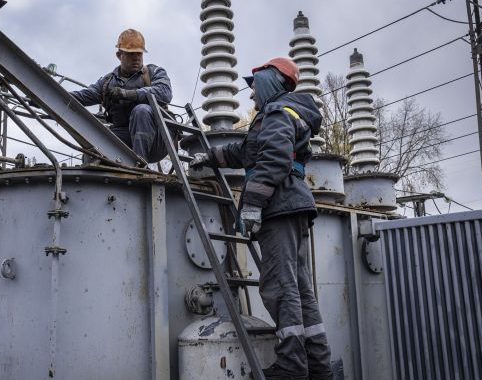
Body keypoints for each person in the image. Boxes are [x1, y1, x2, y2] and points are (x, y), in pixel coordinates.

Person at [190, 57, 333, 380]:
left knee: (280, 287)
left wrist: (252, 204)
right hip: (293, 204)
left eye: (255, 89)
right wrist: (210, 158)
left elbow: (273, 158)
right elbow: (246, 151)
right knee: (299, 287)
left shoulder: (277, 113)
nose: (251, 96)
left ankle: (292, 366)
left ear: (270, 81)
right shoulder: (282, 115)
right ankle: (318, 365)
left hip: (279, 207)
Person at [69, 29, 172, 163]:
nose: (136, 58)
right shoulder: (107, 82)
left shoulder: (153, 72)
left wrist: (129, 94)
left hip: (158, 138)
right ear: (119, 55)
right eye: (131, 54)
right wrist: (47, 95)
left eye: (139, 53)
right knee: (94, 148)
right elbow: (84, 96)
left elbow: (165, 92)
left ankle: (140, 166)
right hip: (126, 135)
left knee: (141, 110)